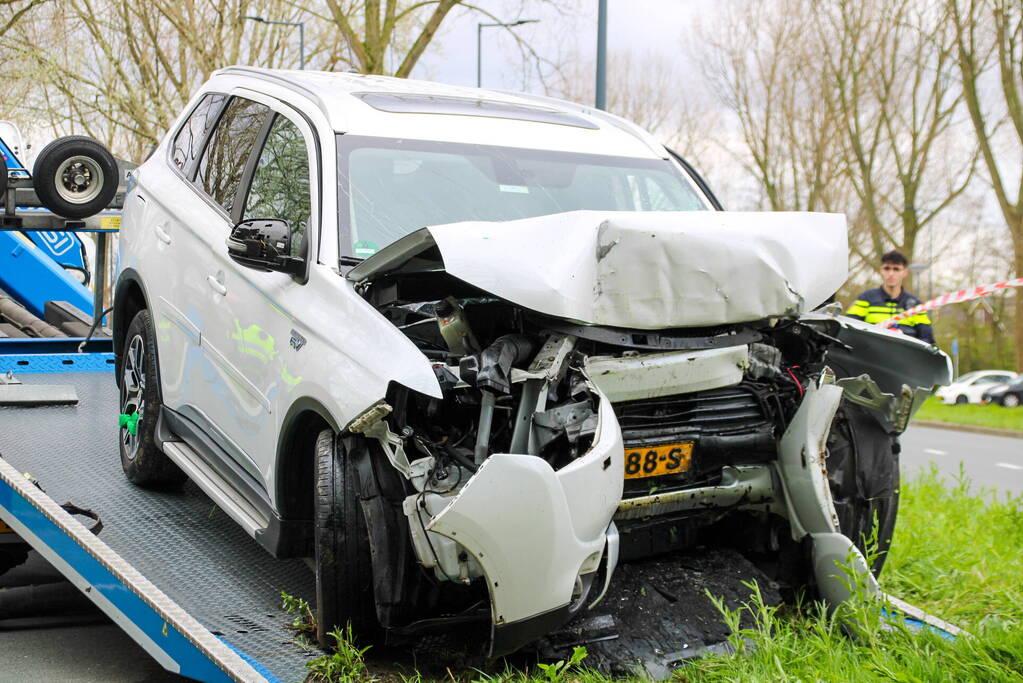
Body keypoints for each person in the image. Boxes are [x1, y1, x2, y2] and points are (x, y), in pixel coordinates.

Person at [846, 250, 935, 344]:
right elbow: (849, 327)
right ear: (881, 271)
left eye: (896, 269)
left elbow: (927, 339)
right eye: (887, 268)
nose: (891, 273)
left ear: (905, 272)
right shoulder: (866, 298)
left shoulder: (915, 304)